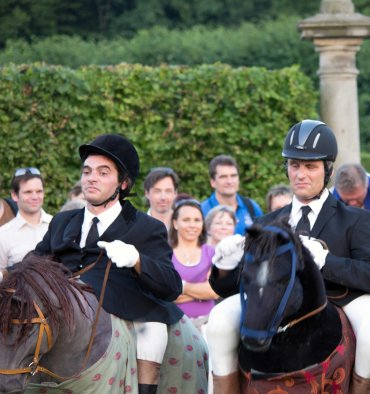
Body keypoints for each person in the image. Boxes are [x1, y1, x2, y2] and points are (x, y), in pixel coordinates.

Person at [207, 120, 370, 392]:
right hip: (278, 304)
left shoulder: (355, 219)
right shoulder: (269, 222)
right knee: (220, 320)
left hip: (340, 299)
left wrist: (325, 261)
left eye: (310, 166)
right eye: (294, 165)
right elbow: (232, 289)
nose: (300, 174)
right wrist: (224, 266)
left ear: (327, 170)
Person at [34, 134, 184, 394]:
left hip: (127, 312)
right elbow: (35, 263)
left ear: (123, 184)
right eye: (87, 171)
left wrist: (137, 260)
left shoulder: (147, 228)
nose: (91, 178)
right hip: (67, 315)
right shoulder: (62, 221)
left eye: (103, 173)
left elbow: (171, 286)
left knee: (152, 332)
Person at [169, 198, 218, 332]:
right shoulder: (164, 254)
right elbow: (165, 293)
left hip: (208, 325)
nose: (192, 225)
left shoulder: (212, 253)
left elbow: (213, 291)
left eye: (197, 220)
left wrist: (181, 287)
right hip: (174, 326)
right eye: (186, 220)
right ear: (175, 223)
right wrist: (200, 292)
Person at [0, 167, 52, 269]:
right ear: (15, 195)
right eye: (28, 192)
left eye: (39, 191)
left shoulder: (57, 225)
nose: (35, 197)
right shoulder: (3, 235)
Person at [201, 155, 263, 235]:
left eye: (233, 176)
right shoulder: (202, 211)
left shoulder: (252, 207)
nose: (229, 181)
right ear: (213, 182)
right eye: (223, 177)